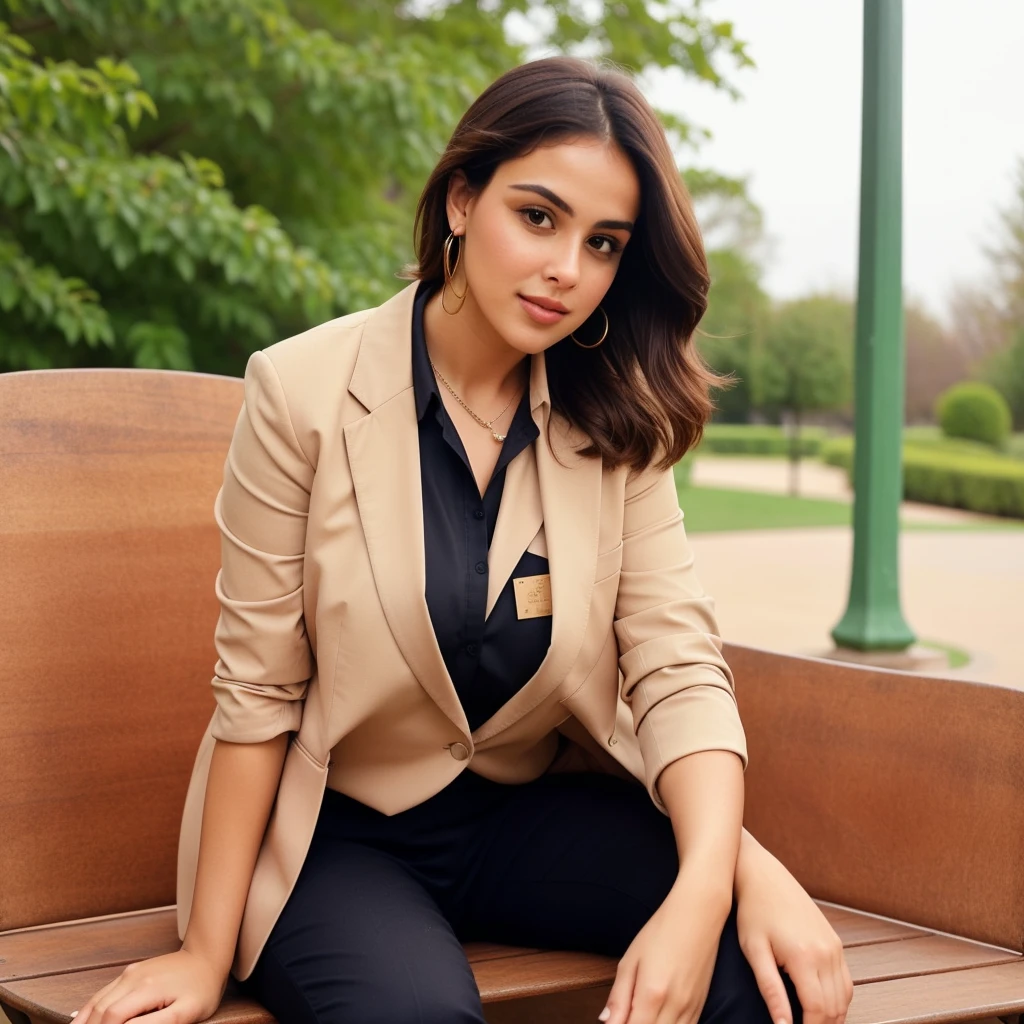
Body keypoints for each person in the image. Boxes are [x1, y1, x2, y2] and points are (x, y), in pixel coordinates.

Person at [70, 56, 852, 1024]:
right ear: (459, 200)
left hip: (526, 813)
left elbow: (675, 666)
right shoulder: (301, 391)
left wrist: (721, 882)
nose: (568, 268)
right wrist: (201, 952)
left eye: (604, 243)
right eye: (538, 217)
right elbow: (258, 692)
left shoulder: (616, 416)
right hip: (334, 836)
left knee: (766, 982)